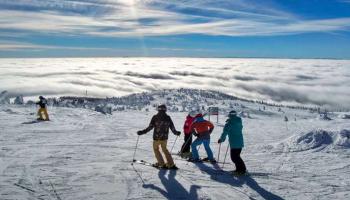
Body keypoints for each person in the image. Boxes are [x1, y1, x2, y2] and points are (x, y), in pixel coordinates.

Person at [137, 104, 181, 169]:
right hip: (165, 138)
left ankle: (162, 164)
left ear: (158, 109)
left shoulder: (155, 117)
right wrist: (176, 133)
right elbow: (172, 127)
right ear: (165, 110)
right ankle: (171, 164)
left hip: (156, 138)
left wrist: (142, 132)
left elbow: (150, 127)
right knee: (165, 150)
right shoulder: (168, 117)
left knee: (156, 149)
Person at [218, 110, 247, 175]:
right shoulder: (239, 121)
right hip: (240, 141)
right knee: (237, 156)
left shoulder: (229, 124)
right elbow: (239, 128)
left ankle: (242, 170)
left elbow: (225, 133)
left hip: (234, 142)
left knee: (234, 157)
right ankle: (239, 169)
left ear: (230, 115)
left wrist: (221, 139)